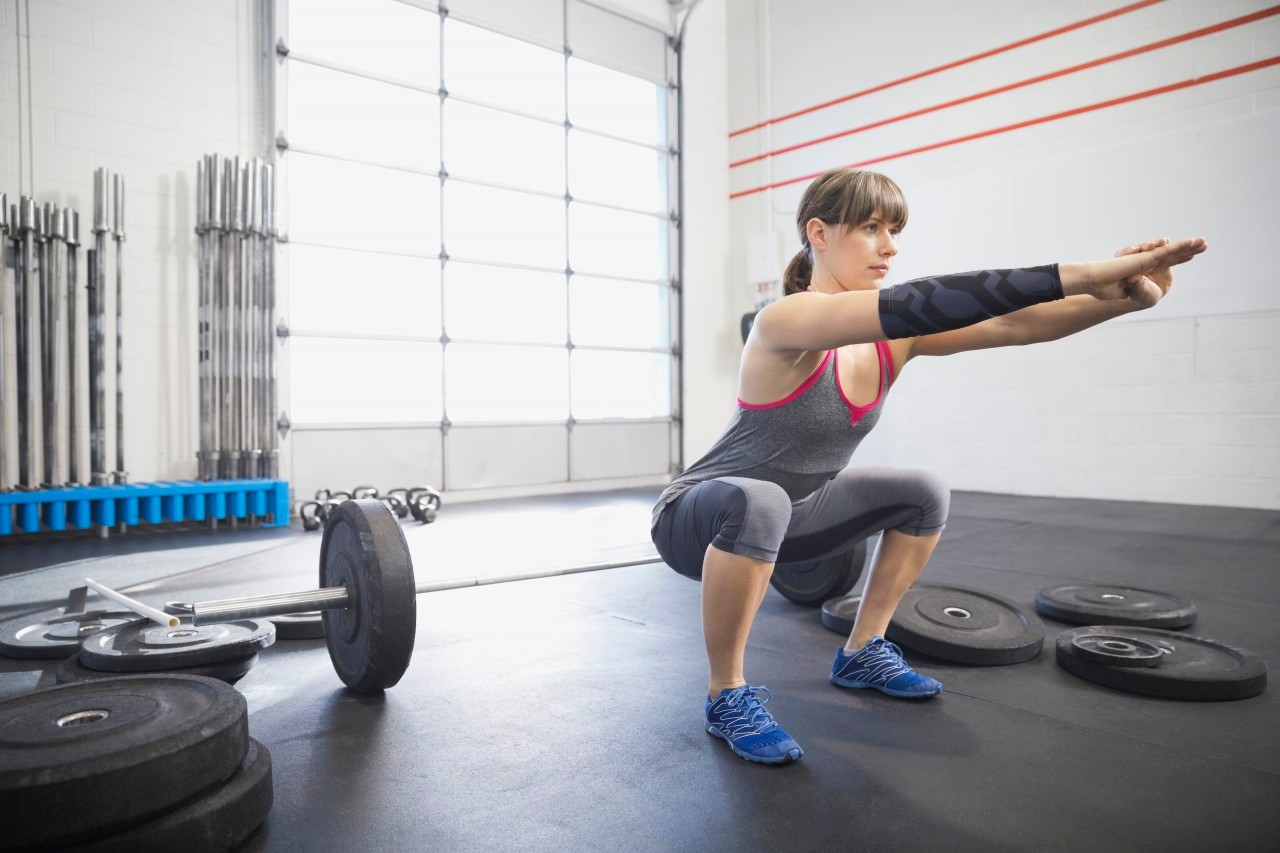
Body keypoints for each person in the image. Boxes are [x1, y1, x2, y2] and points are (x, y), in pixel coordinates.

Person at [649, 168, 1207, 765]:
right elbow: (931, 299)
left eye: (894, 230)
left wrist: (1118, 299)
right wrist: (1097, 270)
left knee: (923, 491)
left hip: (796, 512)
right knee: (762, 500)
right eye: (870, 228)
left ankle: (862, 651)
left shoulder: (894, 340)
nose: (890, 246)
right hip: (696, 516)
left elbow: (1015, 324)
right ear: (819, 233)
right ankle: (726, 694)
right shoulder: (785, 321)